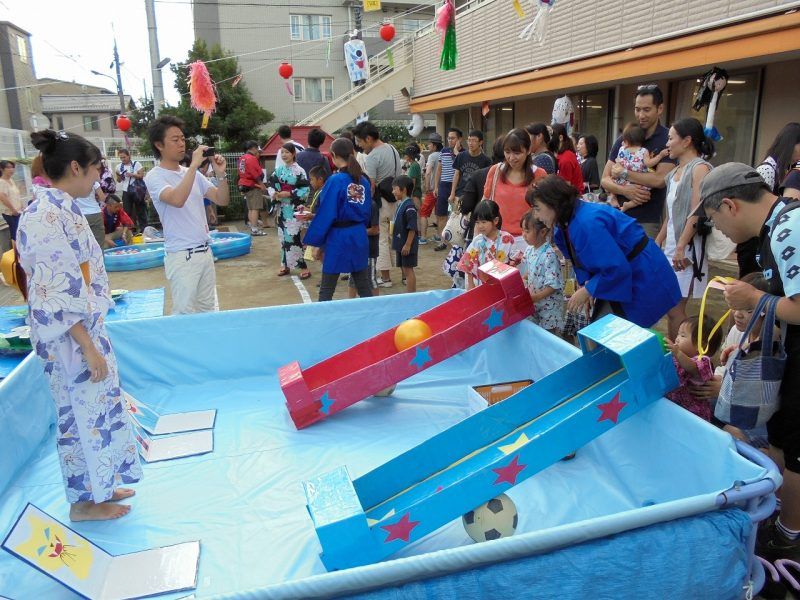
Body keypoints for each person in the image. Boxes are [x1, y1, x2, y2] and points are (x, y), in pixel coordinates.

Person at [17, 129, 142, 522]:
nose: (97, 178)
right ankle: (83, 501)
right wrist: (86, 345)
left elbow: (79, 276)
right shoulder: (43, 215)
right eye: (94, 170)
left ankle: (102, 483)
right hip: (66, 332)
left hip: (83, 324)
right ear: (75, 167)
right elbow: (57, 286)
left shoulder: (64, 207)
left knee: (100, 405)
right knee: (77, 412)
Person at [696, 162, 800, 564]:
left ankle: (788, 536)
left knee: (794, 447)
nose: (718, 230)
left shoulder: (788, 228)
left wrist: (755, 301)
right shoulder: (779, 226)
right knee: (782, 436)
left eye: (714, 220)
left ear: (729, 205)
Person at [530, 175, 681, 328]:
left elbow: (615, 268)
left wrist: (588, 290)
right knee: (614, 331)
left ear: (553, 203)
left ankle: (685, 351)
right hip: (618, 271)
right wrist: (586, 286)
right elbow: (579, 263)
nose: (536, 216)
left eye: (537, 209)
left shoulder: (587, 222)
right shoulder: (562, 225)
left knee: (673, 314)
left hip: (644, 267)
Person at [145, 115, 230, 314]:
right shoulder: (154, 176)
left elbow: (222, 199)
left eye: (182, 139)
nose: (181, 144)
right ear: (159, 145)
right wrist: (193, 166)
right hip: (182, 256)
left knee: (208, 311)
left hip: (205, 252)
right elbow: (177, 199)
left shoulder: (192, 173)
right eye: (175, 140)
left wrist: (221, 174)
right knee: (184, 313)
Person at [656, 118, 714, 338]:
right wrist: (659, 239)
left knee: (674, 308)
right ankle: (678, 355)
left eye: (671, 138)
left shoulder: (699, 168)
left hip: (687, 247)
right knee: (670, 307)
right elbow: (671, 215)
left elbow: (697, 211)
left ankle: (680, 357)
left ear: (687, 141)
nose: (667, 143)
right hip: (673, 245)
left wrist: (681, 246)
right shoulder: (674, 173)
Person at [601, 84, 675, 238]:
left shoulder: (667, 139)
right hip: (618, 214)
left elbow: (659, 179)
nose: (641, 115)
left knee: (643, 261)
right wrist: (624, 190)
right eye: (637, 109)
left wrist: (624, 173)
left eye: (646, 110)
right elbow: (605, 179)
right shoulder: (624, 138)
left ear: (659, 109)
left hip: (648, 220)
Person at [304, 137, 373, 301]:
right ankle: (372, 319)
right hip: (358, 234)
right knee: (364, 286)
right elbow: (368, 211)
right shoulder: (363, 180)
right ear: (353, 153)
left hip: (338, 237)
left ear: (333, 155)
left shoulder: (335, 180)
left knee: (327, 288)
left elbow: (326, 212)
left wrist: (318, 243)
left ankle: (324, 322)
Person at [353, 121, 403, 286]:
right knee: (396, 237)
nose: (360, 146)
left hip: (381, 202)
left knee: (381, 238)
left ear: (368, 138)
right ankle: (404, 275)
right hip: (396, 200)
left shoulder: (373, 156)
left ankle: (386, 278)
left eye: (360, 142)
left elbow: (371, 186)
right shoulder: (392, 149)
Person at [483, 129, 546, 249]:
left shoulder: (539, 174)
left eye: (517, 153)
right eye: (507, 152)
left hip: (527, 241)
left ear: (528, 151)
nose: (511, 158)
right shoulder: (495, 171)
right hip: (497, 238)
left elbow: (545, 209)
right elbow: (485, 202)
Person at [664, 315, 723, 421]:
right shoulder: (678, 357)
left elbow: (693, 368)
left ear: (701, 344)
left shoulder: (703, 361)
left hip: (694, 415)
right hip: (675, 407)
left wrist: (678, 353)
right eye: (678, 334)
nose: (677, 339)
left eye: (683, 335)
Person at [268, 143, 311, 279]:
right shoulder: (279, 170)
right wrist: (275, 193)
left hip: (293, 209)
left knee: (293, 237)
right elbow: (271, 184)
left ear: (293, 153)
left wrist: (289, 193)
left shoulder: (300, 171)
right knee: (283, 238)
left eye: (287, 152)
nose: (284, 155)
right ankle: (285, 264)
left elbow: (305, 189)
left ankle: (303, 266)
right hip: (282, 208)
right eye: (282, 152)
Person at [519, 211, 565, 335]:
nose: (523, 235)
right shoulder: (529, 250)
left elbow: (553, 285)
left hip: (549, 305)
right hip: (536, 302)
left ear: (543, 232)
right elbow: (531, 269)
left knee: (549, 335)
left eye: (527, 231)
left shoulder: (549, 255)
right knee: (536, 333)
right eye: (523, 231)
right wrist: (523, 279)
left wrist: (534, 298)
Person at [457, 200, 515, 290]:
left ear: (495, 221)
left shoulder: (508, 239)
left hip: (504, 286)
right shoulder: (477, 241)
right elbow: (468, 266)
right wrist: (471, 287)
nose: (480, 226)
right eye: (477, 222)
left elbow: (514, 263)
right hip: (482, 288)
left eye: (484, 222)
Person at [433, 127, 463, 251]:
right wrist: (435, 186)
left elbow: (460, 169)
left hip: (456, 187)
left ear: (459, 139)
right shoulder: (443, 151)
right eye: (449, 138)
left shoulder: (463, 153)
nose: (450, 140)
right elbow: (439, 169)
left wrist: (456, 152)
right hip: (443, 185)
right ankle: (443, 241)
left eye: (453, 138)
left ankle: (455, 243)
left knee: (455, 215)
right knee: (441, 215)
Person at [391, 175, 419, 293]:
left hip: (407, 245)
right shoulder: (402, 204)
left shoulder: (409, 206)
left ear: (404, 190)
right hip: (401, 243)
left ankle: (411, 295)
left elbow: (412, 228)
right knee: (405, 269)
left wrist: (407, 244)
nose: (393, 192)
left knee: (408, 270)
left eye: (395, 189)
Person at [450, 130, 492, 207]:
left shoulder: (486, 160)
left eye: (474, 141)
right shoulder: (460, 156)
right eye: (469, 140)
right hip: (460, 194)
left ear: (480, 142)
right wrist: (452, 193)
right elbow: (456, 175)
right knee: (456, 218)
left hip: (477, 197)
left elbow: (488, 181)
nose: (470, 143)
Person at [237, 140, 267, 236]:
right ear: (253, 148)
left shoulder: (242, 158)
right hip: (253, 185)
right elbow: (255, 173)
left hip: (244, 184)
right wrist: (261, 184)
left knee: (250, 208)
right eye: (256, 149)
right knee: (255, 208)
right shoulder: (251, 158)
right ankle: (255, 229)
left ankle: (252, 227)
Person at [115, 148, 147, 233]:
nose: (123, 159)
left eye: (124, 157)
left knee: (140, 210)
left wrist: (132, 174)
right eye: (121, 158)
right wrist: (120, 176)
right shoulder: (118, 167)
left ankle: (144, 230)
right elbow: (118, 180)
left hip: (137, 190)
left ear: (129, 156)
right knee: (127, 211)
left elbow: (141, 176)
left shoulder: (136, 164)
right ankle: (130, 230)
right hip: (126, 190)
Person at [419, 133, 443, 245]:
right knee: (440, 213)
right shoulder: (446, 154)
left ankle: (423, 238)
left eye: (429, 144)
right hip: (443, 189)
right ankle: (439, 236)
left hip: (433, 189)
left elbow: (428, 173)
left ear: (434, 145)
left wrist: (427, 187)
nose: (428, 146)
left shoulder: (433, 156)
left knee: (423, 213)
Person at [551, 123, 584, 192]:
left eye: (552, 136)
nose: (549, 139)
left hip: (572, 199)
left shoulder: (566, 159)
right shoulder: (564, 155)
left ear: (560, 138)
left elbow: (565, 188)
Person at [73, 181, 106, 249]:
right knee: (99, 244)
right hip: (95, 213)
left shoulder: (72, 180)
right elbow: (102, 198)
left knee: (83, 244)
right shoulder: (93, 180)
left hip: (79, 215)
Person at [0, 160, 22, 241]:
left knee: (19, 232)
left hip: (18, 211)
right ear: (1, 169)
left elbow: (15, 195)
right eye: (8, 167)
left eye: (12, 167)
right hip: (10, 213)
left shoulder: (11, 180)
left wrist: (21, 206)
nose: (11, 169)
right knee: (15, 234)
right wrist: (13, 210)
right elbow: (3, 198)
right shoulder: (1, 182)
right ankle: (16, 252)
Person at [403, 145, 423, 209]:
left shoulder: (413, 166)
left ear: (410, 155)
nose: (404, 156)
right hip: (416, 193)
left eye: (406, 154)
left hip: (415, 194)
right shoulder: (414, 164)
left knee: (417, 215)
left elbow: (412, 183)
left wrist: (410, 195)